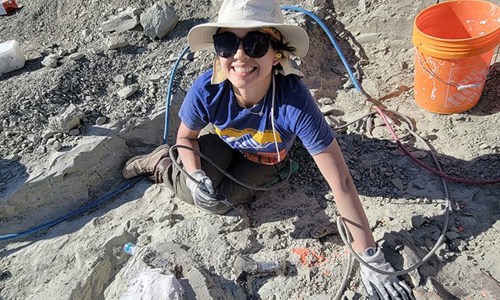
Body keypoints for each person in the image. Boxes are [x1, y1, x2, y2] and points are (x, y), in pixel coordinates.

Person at [122, 0, 413, 298]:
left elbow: (341, 182)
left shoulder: (293, 101)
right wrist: (195, 176)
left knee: (224, 201)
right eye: (226, 43)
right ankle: (161, 163)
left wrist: (369, 256)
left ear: (276, 55)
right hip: (222, 142)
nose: (239, 55)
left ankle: (192, 171)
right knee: (197, 191)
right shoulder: (208, 89)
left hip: (265, 156)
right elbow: (186, 138)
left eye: (256, 44)